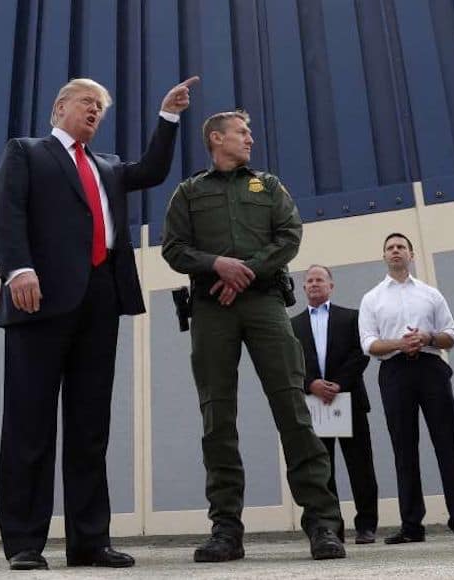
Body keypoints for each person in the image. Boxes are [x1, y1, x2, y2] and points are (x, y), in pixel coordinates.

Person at [0, 76, 198, 571]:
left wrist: (168, 116)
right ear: (60, 106)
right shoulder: (27, 152)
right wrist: (18, 269)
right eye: (88, 103)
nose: (95, 112)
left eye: (101, 108)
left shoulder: (107, 166)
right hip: (38, 298)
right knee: (30, 425)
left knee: (90, 428)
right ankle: (24, 542)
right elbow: (9, 211)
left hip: (100, 302)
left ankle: (89, 541)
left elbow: (151, 170)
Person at [161, 111, 346, 562]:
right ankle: (226, 529)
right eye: (242, 133)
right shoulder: (189, 192)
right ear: (215, 138)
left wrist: (246, 272)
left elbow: (289, 235)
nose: (250, 139)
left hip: (264, 303)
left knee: (292, 408)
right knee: (217, 417)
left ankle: (323, 523)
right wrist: (216, 266)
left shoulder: (269, 185)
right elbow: (173, 248)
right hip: (211, 310)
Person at [358, 233, 454, 544]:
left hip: (431, 368)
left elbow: (451, 335)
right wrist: (401, 343)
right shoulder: (372, 298)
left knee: (447, 444)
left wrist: (426, 338)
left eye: (401, 247)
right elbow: (369, 343)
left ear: (411, 254)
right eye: (390, 247)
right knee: (404, 448)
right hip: (394, 371)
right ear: (384, 256)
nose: (396, 251)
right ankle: (411, 525)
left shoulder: (430, 294)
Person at [290, 264, 379, 544]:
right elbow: (290, 362)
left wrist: (338, 383)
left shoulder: (351, 317)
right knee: (322, 470)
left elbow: (360, 354)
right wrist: (312, 384)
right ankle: (331, 527)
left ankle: (366, 526)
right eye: (310, 281)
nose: (315, 284)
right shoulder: (292, 325)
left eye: (320, 280)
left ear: (331, 286)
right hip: (315, 405)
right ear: (304, 288)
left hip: (349, 399)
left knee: (360, 466)